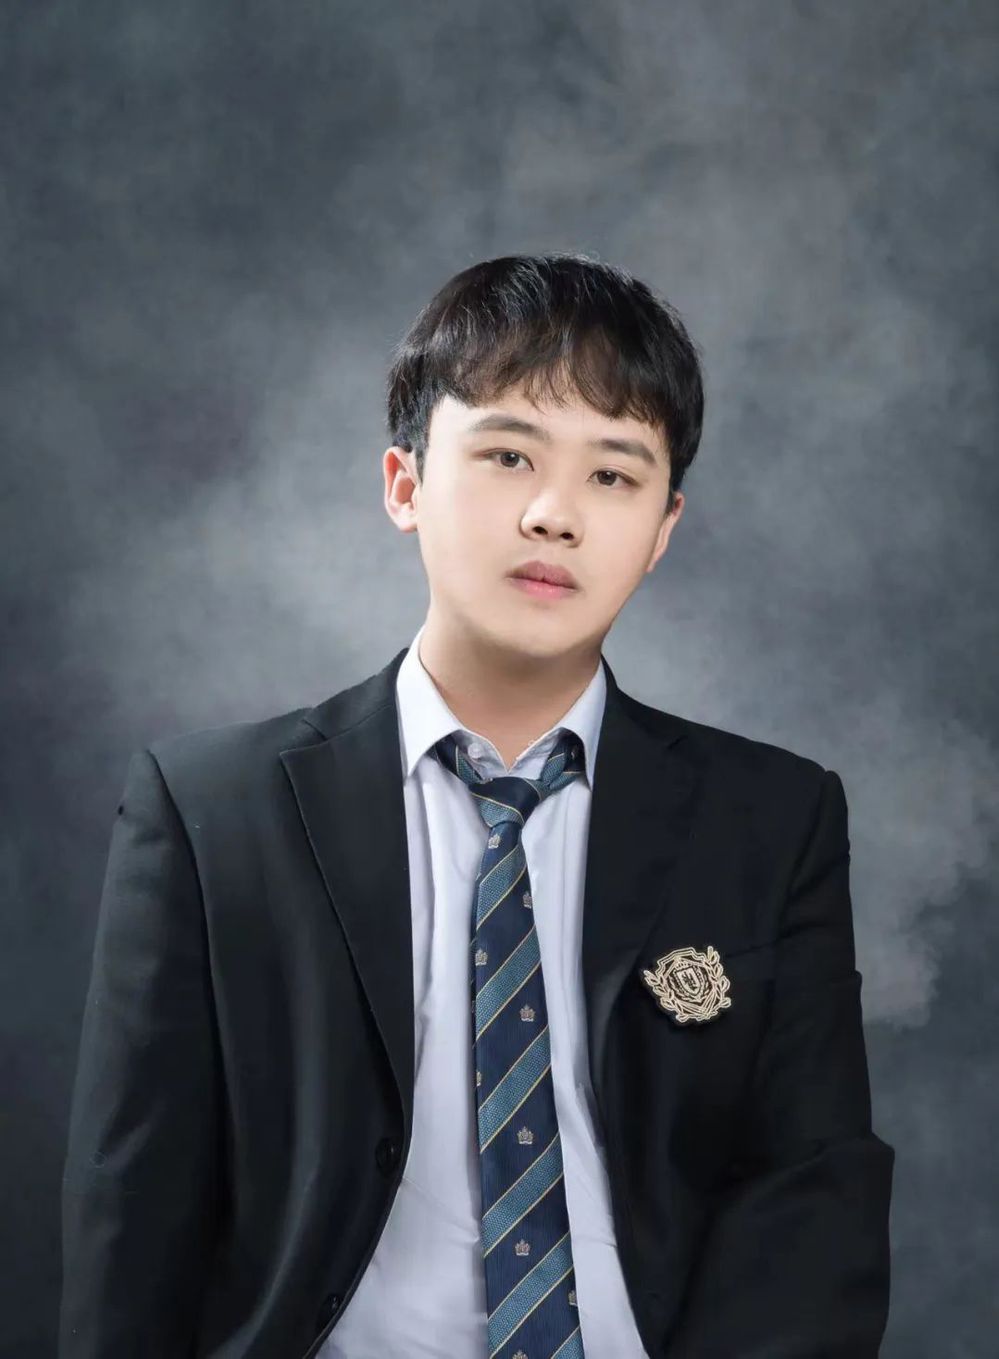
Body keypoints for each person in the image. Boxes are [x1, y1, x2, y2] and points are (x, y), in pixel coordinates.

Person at [59, 252, 895, 1359]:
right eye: (508, 455)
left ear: (662, 530)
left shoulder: (774, 820)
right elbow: (136, 1211)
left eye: (614, 476)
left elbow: (811, 1197)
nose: (555, 515)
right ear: (404, 485)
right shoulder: (214, 814)